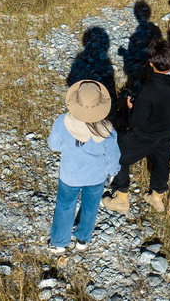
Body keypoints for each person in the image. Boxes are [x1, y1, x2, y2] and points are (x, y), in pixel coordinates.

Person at [101, 38, 170, 215]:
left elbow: (138, 122)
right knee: (163, 162)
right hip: (168, 131)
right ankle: (156, 196)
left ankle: (121, 198)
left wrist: (132, 107)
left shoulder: (149, 90)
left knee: (117, 155)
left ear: (150, 63)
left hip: (144, 136)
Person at [48, 80, 121, 253]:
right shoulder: (107, 129)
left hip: (70, 175)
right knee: (90, 207)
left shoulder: (62, 122)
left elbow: (54, 145)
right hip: (96, 177)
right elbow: (113, 156)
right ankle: (82, 240)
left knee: (65, 206)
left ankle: (59, 243)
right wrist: (112, 172)